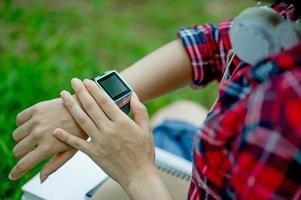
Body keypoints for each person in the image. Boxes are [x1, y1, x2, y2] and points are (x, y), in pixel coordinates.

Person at [9, 0, 301, 199]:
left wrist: (137, 172)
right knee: (180, 111)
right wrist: (88, 108)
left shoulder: (282, 112)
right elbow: (216, 44)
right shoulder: (291, 17)